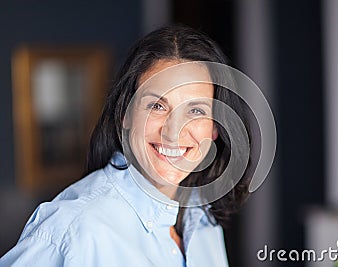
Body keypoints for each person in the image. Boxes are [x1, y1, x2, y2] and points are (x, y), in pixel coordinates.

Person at [0, 25, 256, 266]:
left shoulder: (203, 219)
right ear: (126, 114)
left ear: (214, 128)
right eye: (157, 106)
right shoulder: (73, 230)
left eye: (196, 110)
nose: (173, 131)